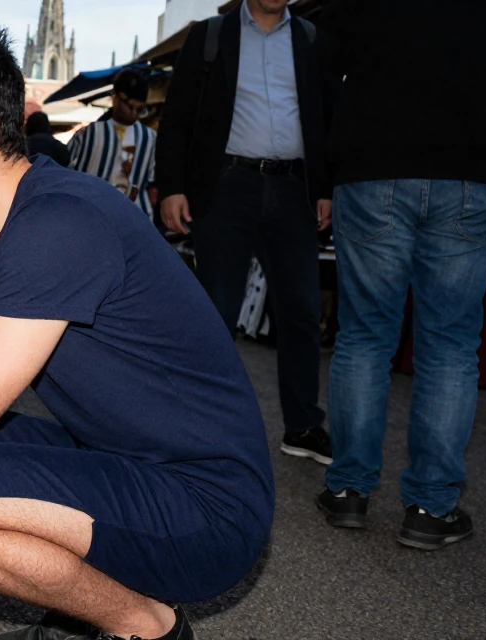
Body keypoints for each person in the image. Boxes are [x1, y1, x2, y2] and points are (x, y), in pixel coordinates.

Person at [0, 19, 274, 640]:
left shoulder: (59, 225)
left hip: (207, 505)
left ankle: (142, 625)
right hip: (116, 458)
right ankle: (82, 610)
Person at [313, 0, 486, 549]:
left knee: (365, 335)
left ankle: (349, 490)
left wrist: (326, 172)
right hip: (477, 168)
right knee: (450, 342)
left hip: (374, 164)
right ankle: (431, 506)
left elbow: (324, 62)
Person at [156, 0, 333, 466]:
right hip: (227, 187)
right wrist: (171, 187)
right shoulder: (209, 35)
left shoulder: (310, 39)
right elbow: (177, 115)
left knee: (301, 311)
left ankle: (303, 425)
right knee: (216, 311)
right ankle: (203, 425)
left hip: (294, 190)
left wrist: (325, 187)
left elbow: (325, 116)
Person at [67, 68, 158, 222]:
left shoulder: (150, 138)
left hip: (131, 221)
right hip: (91, 218)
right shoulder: (88, 134)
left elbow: (152, 186)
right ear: (115, 98)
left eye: (139, 109)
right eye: (130, 106)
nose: (134, 113)